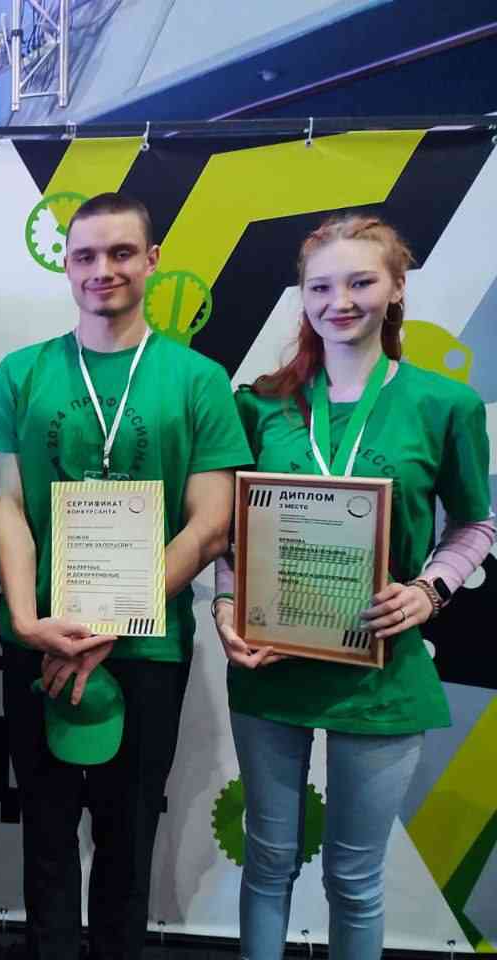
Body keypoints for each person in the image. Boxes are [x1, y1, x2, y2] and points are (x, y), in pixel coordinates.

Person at [212, 212, 495, 959]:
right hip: (271, 664)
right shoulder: (260, 404)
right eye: (321, 287)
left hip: (381, 671)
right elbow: (233, 531)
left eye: (361, 282)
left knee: (355, 879)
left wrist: (431, 590)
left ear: (397, 288)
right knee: (267, 861)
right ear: (302, 296)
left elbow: (476, 524)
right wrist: (225, 603)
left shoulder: (445, 405)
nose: (339, 301)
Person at [0, 193, 252, 959]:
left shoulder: (198, 379)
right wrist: (26, 622)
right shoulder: (21, 372)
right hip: (42, 641)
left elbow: (210, 524)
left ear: (152, 260)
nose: (103, 269)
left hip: (146, 650)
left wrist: (109, 621)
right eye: (86, 255)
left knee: (127, 839)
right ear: (65, 266)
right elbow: (8, 506)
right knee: (45, 831)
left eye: (122, 252)